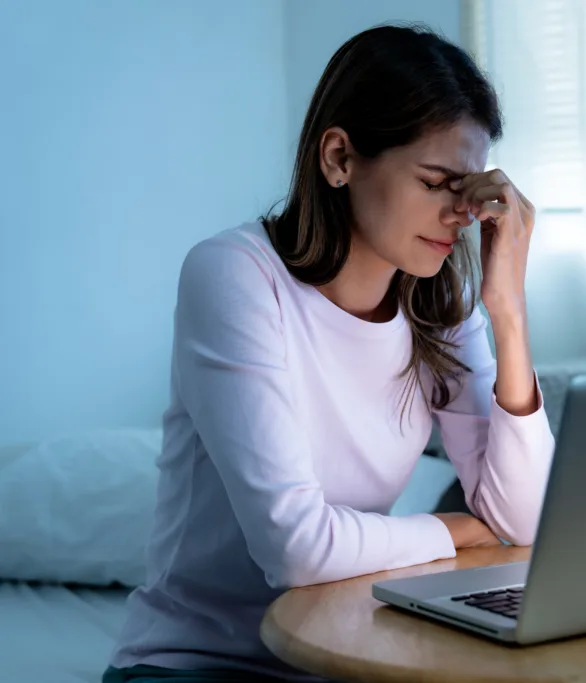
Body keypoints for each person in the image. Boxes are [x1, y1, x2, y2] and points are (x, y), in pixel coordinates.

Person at [103, 24, 555, 683]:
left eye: (469, 190)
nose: (460, 214)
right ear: (339, 157)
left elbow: (524, 520)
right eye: (437, 182)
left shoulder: (438, 305)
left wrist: (508, 311)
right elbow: (294, 548)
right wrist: (455, 529)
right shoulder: (235, 277)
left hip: (347, 655)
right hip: (197, 662)